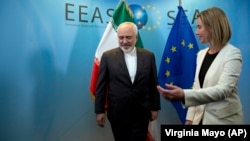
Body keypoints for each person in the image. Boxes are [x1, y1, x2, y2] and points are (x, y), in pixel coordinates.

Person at [157, 7, 243, 125]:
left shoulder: (232, 53)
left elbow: (224, 90)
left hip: (224, 122)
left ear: (212, 27)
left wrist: (184, 95)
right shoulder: (201, 54)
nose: (196, 32)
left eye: (199, 27)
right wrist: (190, 118)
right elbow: (197, 88)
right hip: (200, 120)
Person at [95, 22, 161, 141]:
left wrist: (155, 107)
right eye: (121, 37)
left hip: (142, 111)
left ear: (136, 37)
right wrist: (99, 111)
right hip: (117, 112)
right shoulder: (107, 57)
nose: (124, 41)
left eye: (128, 37)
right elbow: (101, 86)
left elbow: (153, 84)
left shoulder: (149, 56)